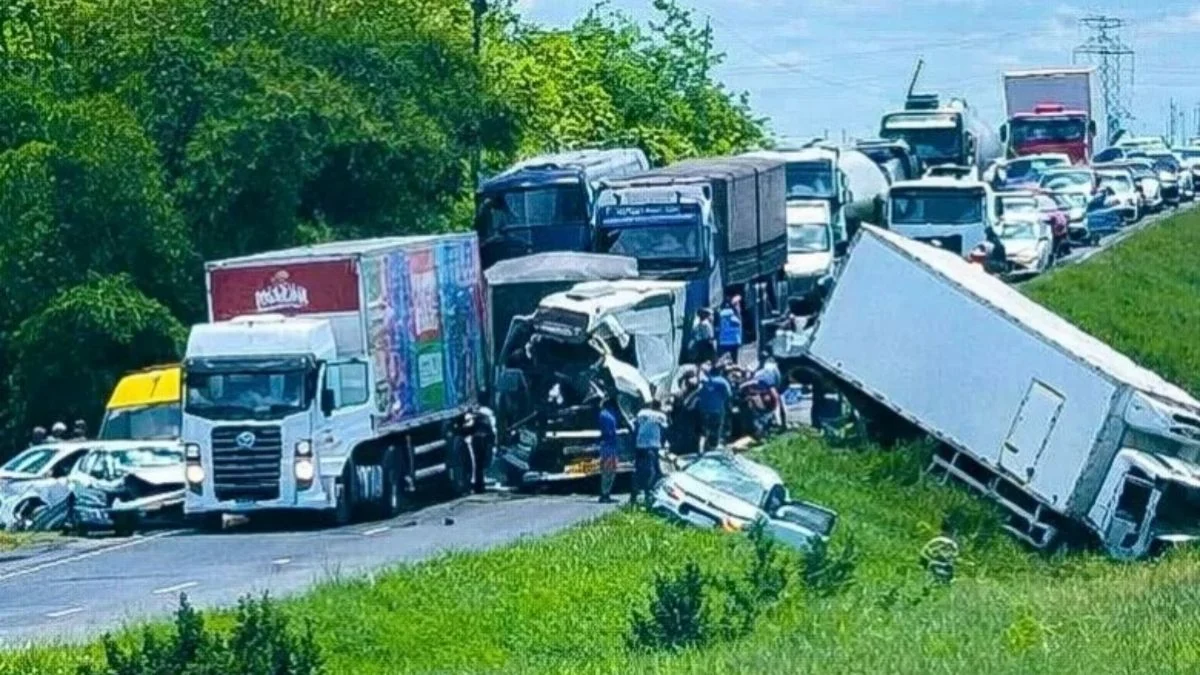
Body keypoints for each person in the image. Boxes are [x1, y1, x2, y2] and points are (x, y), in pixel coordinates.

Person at [632, 400, 668, 505]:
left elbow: (636, 426)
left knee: (638, 470)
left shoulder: (642, 413)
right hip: (653, 446)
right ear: (659, 407)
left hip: (640, 446)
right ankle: (648, 492)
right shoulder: (661, 416)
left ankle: (634, 494)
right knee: (653, 471)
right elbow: (665, 429)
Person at [696, 367, 733, 452]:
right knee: (715, 429)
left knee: (705, 428)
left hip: (704, 410)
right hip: (717, 410)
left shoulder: (705, 382)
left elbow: (699, 394)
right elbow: (729, 395)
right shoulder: (723, 381)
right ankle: (712, 448)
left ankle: (702, 446)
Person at [466, 406, 496, 494]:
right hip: (481, 441)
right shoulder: (485, 416)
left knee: (478, 465)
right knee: (480, 466)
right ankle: (479, 485)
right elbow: (491, 433)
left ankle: (479, 485)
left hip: (478, 441)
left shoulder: (476, 417)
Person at [597, 397, 620, 504]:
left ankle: (605, 493)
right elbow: (610, 431)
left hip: (606, 446)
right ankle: (605, 494)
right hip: (610, 446)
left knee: (607, 472)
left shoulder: (603, 414)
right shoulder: (609, 415)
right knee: (609, 472)